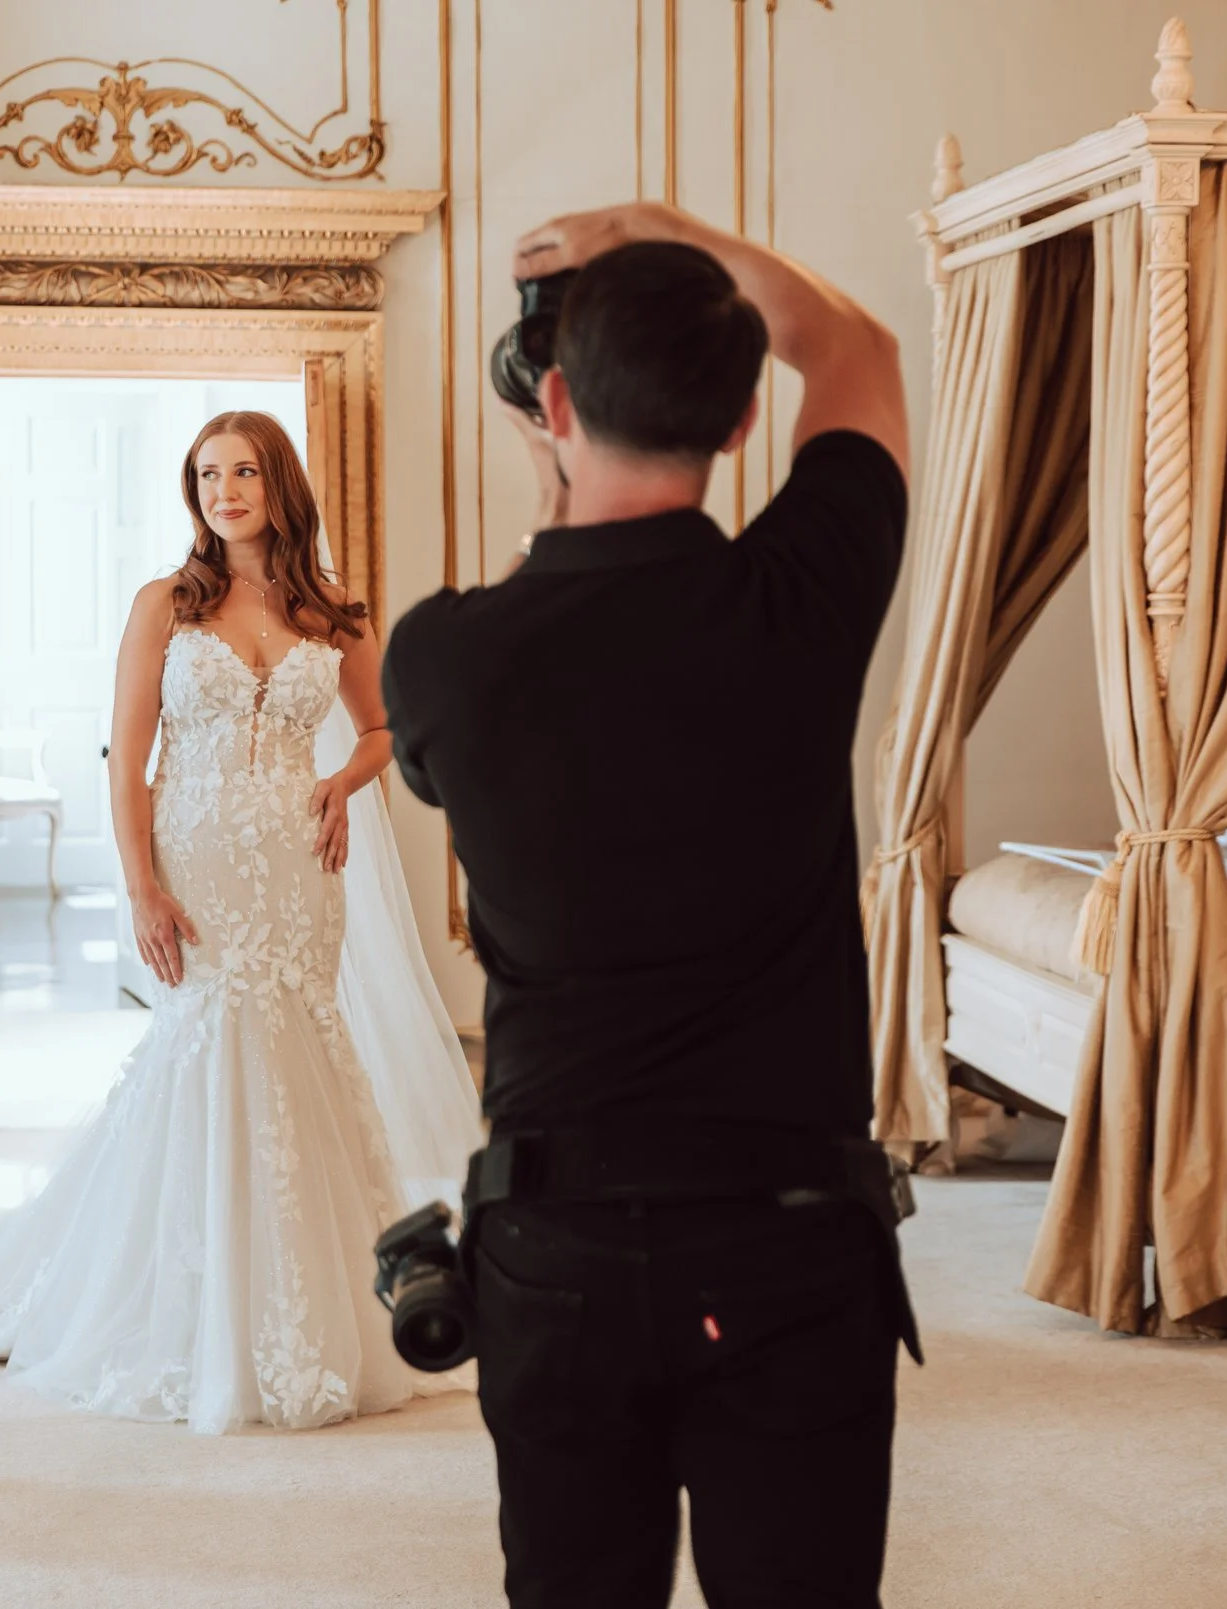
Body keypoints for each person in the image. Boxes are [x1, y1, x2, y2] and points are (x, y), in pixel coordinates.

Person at [381, 205, 921, 1605]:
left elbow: (533, 641)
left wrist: (557, 475)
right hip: (790, 1243)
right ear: (743, 422)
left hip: (556, 1251)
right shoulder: (805, 596)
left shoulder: (445, 658)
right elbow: (851, 343)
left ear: (550, 402)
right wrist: (660, 231)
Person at [0, 411, 484, 1434]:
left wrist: (346, 780)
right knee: (203, 1046)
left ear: (278, 484)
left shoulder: (332, 610)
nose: (225, 489)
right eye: (207, 474)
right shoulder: (166, 604)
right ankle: (190, 1304)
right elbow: (126, 760)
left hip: (302, 866)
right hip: (197, 861)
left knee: (301, 1044)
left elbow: (388, 724)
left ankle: (319, 1308)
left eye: (245, 470)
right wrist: (141, 886)